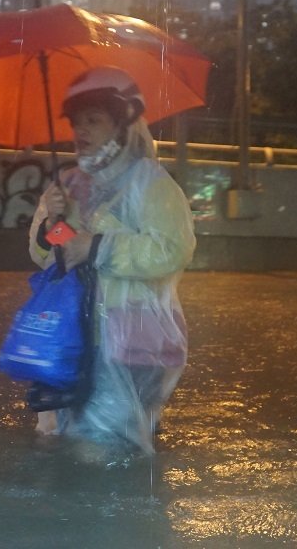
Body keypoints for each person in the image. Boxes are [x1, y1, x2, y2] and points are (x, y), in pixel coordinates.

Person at [27, 66, 196, 454]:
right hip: (75, 337)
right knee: (64, 441)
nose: (80, 131)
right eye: (75, 122)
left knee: (105, 453)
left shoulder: (150, 183)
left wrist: (99, 247)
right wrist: (51, 223)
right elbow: (48, 258)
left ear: (122, 124)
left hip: (130, 341)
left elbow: (172, 249)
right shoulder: (67, 185)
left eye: (94, 120)